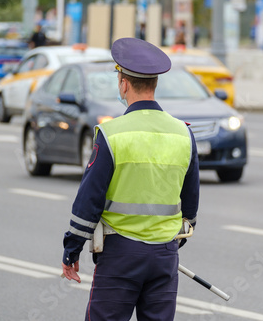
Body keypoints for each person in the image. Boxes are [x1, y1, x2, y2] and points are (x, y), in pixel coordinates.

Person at [61, 37, 200, 321]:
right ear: (154, 85)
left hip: (120, 255)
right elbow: (191, 204)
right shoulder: (183, 134)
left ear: (123, 84)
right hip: (164, 255)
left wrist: (71, 248)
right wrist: (170, 243)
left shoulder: (112, 134)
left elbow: (89, 200)